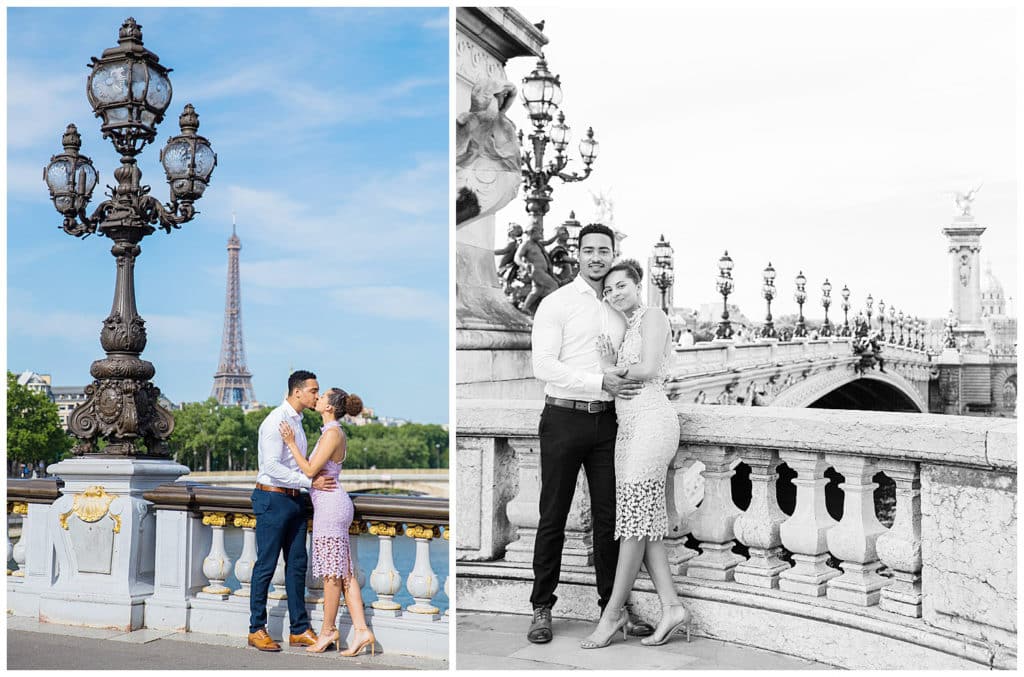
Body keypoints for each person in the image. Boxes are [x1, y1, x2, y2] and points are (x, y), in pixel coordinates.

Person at [528, 223, 654, 644]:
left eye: (605, 250)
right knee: (553, 516)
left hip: (608, 423)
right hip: (563, 418)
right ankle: (542, 608)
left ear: (614, 253)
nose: (597, 257)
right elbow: (543, 366)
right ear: (577, 255)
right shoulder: (557, 303)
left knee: (609, 519)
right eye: (589, 250)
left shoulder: (620, 308)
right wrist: (599, 382)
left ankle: (612, 609)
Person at [580, 259, 691, 649]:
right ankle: (672, 606)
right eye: (608, 290)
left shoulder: (654, 316)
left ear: (637, 284)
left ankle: (612, 613)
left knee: (632, 526)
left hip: (652, 424)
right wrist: (610, 372)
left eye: (620, 286)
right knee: (644, 524)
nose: (613, 294)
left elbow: (648, 368)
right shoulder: (628, 327)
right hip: (630, 429)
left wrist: (609, 369)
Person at [280, 387, 376, 657]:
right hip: (330, 505)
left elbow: (309, 470)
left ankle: (328, 631)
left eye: (322, 397)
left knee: (333, 576)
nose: (318, 398)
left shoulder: (332, 433)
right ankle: (361, 631)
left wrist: (290, 444)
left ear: (329, 407)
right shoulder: (330, 432)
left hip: (331, 508)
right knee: (343, 574)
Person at [247, 370, 337, 652]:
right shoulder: (276, 421)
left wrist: (306, 484)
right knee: (266, 565)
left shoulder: (296, 422)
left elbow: (297, 464)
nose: (317, 396)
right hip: (273, 500)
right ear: (297, 392)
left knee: (297, 565)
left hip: (295, 500)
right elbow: (270, 467)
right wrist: (309, 481)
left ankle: (298, 628)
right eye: (314, 391)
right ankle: (256, 628)